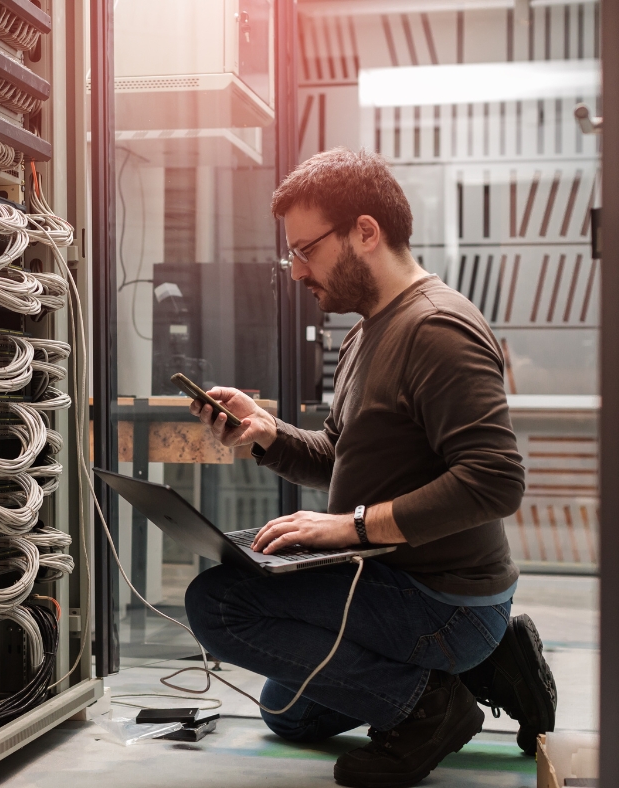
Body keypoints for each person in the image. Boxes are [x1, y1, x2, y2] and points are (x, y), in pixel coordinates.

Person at [184, 148, 557, 788]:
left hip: (442, 598)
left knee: (220, 605)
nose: (297, 271)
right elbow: (339, 454)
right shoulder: (366, 331)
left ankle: (433, 707)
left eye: (306, 250)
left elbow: (496, 480)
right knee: (286, 713)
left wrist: (350, 529)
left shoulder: (436, 328)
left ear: (365, 230)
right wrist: (267, 435)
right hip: (393, 576)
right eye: (291, 254)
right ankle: (486, 666)